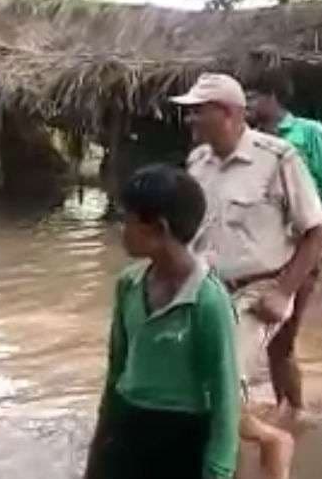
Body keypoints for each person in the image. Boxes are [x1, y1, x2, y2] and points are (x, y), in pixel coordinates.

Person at [171, 73, 322, 479]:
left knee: (222, 377)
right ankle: (243, 447)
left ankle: (261, 449)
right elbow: (191, 234)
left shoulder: (279, 157)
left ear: (227, 112)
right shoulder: (197, 162)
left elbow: (316, 229)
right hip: (207, 287)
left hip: (259, 288)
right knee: (185, 373)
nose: (190, 119)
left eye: (197, 111)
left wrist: (283, 291)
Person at [84, 164, 240, 479]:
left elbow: (225, 395)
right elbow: (117, 371)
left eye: (128, 221)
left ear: (160, 228)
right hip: (128, 427)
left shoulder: (207, 300)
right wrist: (99, 448)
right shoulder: (129, 285)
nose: (121, 231)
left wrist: (218, 470)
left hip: (182, 435)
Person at [248, 70, 322, 421]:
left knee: (282, 342)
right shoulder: (251, 140)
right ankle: (286, 409)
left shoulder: (309, 133)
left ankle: (295, 414)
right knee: (273, 343)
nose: (249, 104)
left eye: (253, 96)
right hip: (263, 252)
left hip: (302, 248)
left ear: (272, 97)